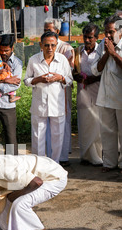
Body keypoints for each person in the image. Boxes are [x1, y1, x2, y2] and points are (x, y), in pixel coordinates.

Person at [24, 31, 73, 163]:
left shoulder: (62, 60)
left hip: (57, 105)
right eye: (46, 45)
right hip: (39, 105)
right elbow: (26, 80)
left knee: (57, 137)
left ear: (56, 45)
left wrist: (60, 78)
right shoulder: (33, 60)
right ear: (41, 45)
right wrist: (38, 79)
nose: (49, 48)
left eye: (52, 45)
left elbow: (69, 79)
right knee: (38, 137)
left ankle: (55, 164)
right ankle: (40, 166)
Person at [91, 14, 122, 173]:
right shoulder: (102, 46)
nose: (108, 36)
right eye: (106, 32)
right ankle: (109, 163)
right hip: (105, 97)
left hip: (120, 98)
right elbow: (95, 70)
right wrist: (106, 53)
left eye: (111, 32)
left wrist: (115, 53)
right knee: (107, 133)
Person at [44, 19, 74, 166]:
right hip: (46, 90)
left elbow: (70, 70)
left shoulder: (66, 48)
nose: (47, 32)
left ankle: (63, 156)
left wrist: (57, 76)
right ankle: (51, 155)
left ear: (57, 31)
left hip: (62, 88)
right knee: (49, 123)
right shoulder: (45, 46)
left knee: (63, 120)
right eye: (45, 29)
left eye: (49, 29)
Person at [73, 23, 102, 166]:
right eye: (85, 37)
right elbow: (72, 71)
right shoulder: (78, 51)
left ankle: (97, 157)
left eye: (90, 37)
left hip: (98, 93)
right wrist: (76, 77)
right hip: (83, 93)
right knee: (84, 125)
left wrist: (94, 78)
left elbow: (107, 72)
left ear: (96, 37)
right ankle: (85, 156)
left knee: (97, 126)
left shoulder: (101, 52)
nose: (87, 40)